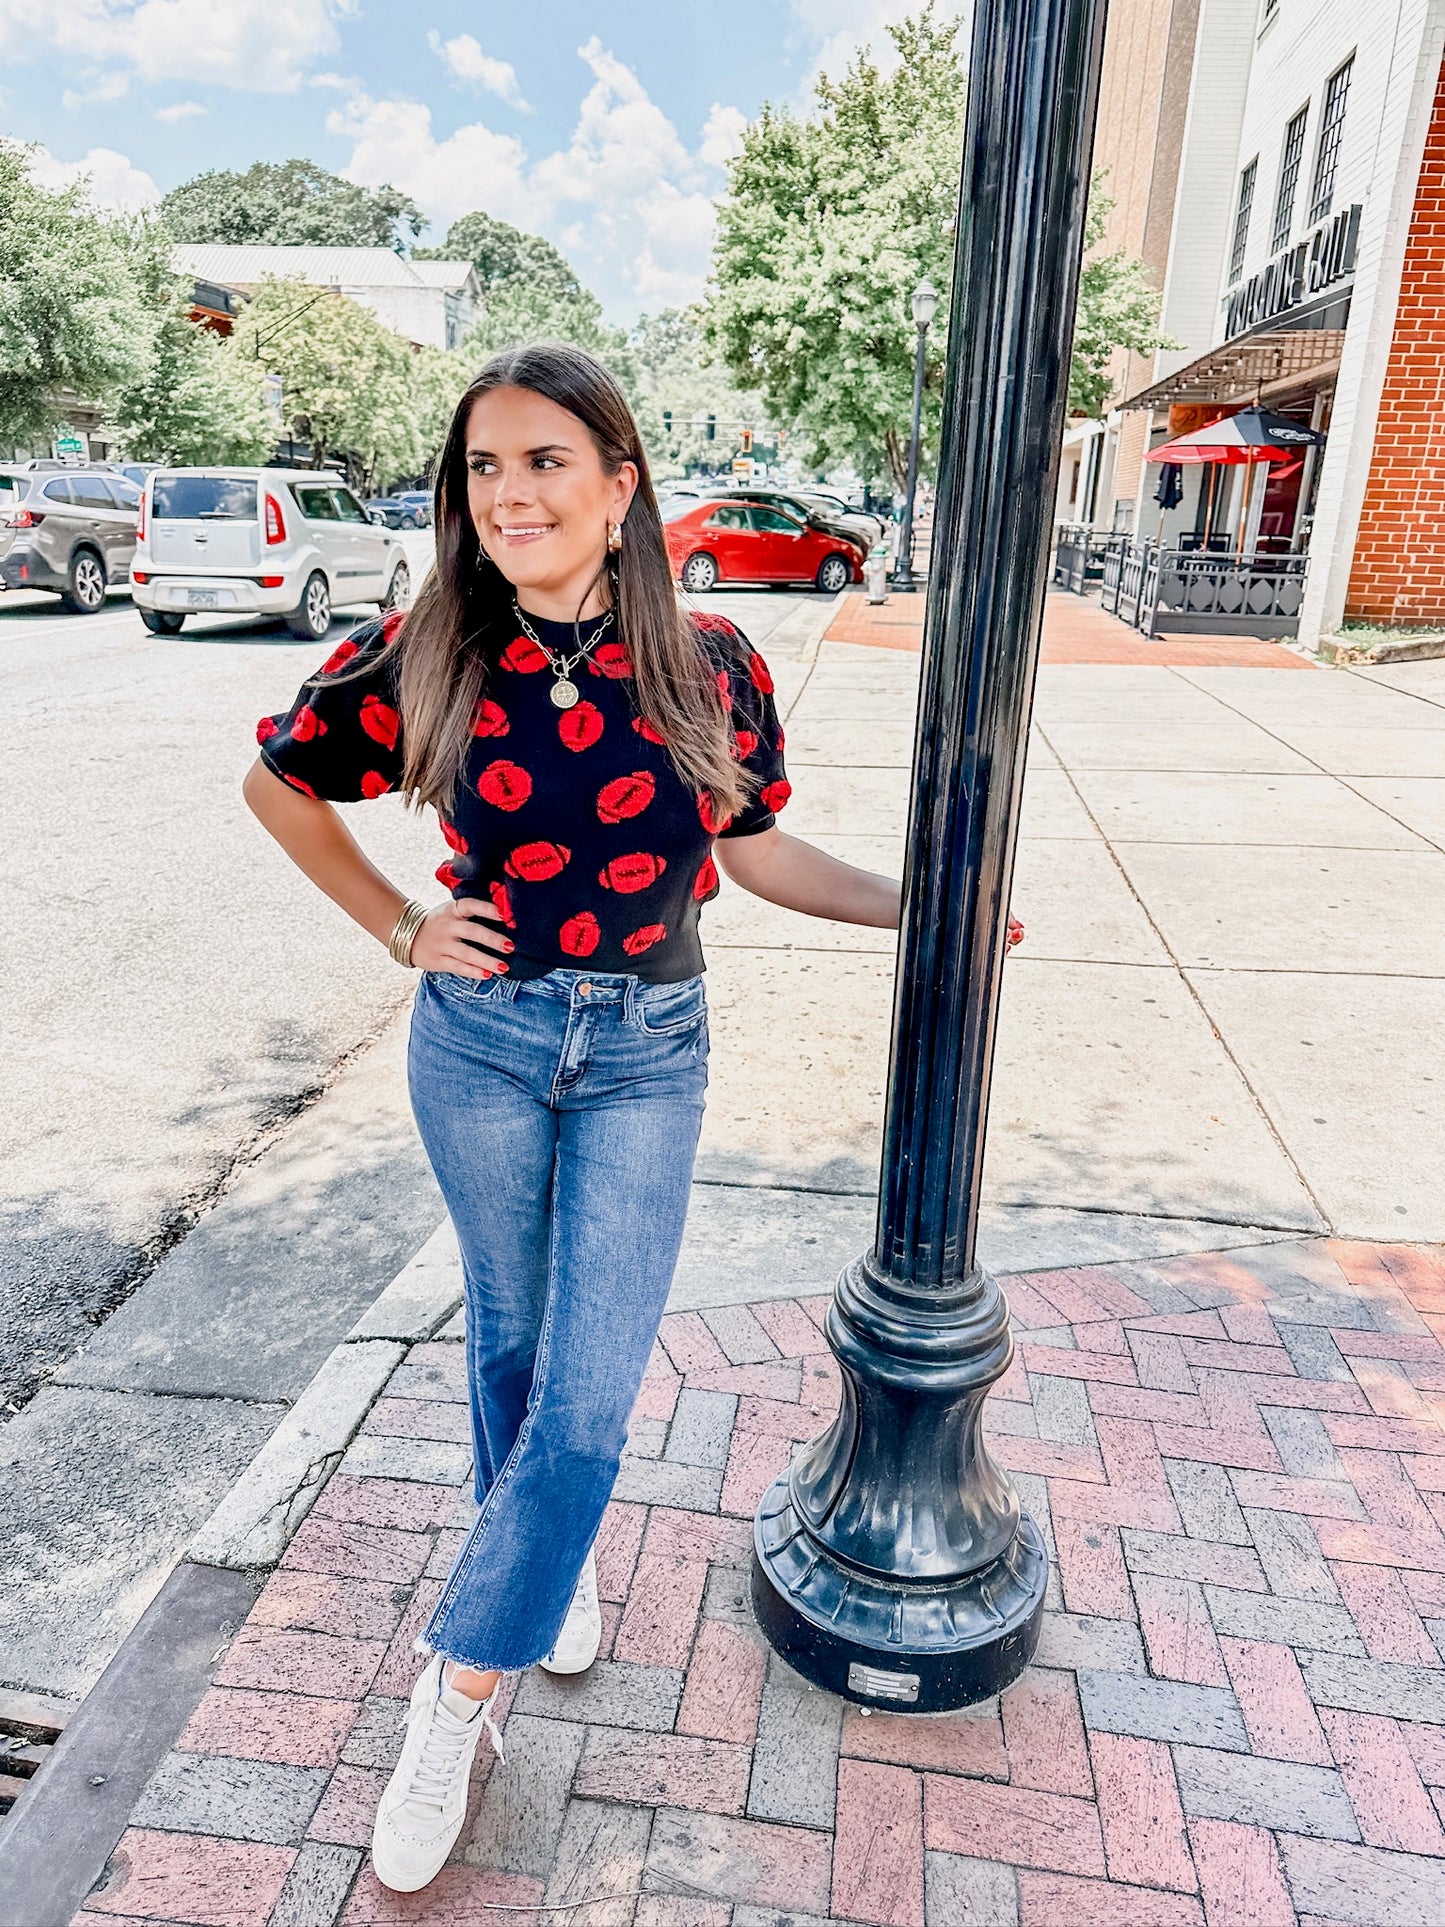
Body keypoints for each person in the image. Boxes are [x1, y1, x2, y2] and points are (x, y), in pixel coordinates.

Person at [242, 342, 909, 1895]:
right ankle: (544, 1566)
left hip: (643, 1051)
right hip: (474, 1043)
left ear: (620, 486)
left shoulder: (714, 665)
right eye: (483, 467)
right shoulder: (428, 650)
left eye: (545, 460)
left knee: (591, 1393)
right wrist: (398, 925)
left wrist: (919, 905)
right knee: (509, 1339)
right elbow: (281, 785)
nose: (510, 492)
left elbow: (755, 859)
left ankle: (459, 1687)